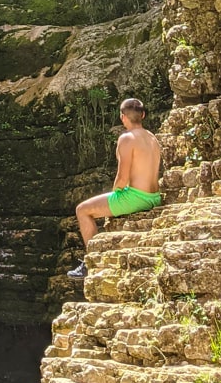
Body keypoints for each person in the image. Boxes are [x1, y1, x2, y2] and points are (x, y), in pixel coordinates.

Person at [67, 97, 161, 280]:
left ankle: (90, 262)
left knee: (82, 210)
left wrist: (116, 192)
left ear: (122, 117)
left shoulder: (126, 138)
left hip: (136, 198)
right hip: (154, 197)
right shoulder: (152, 137)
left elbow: (122, 178)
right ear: (143, 115)